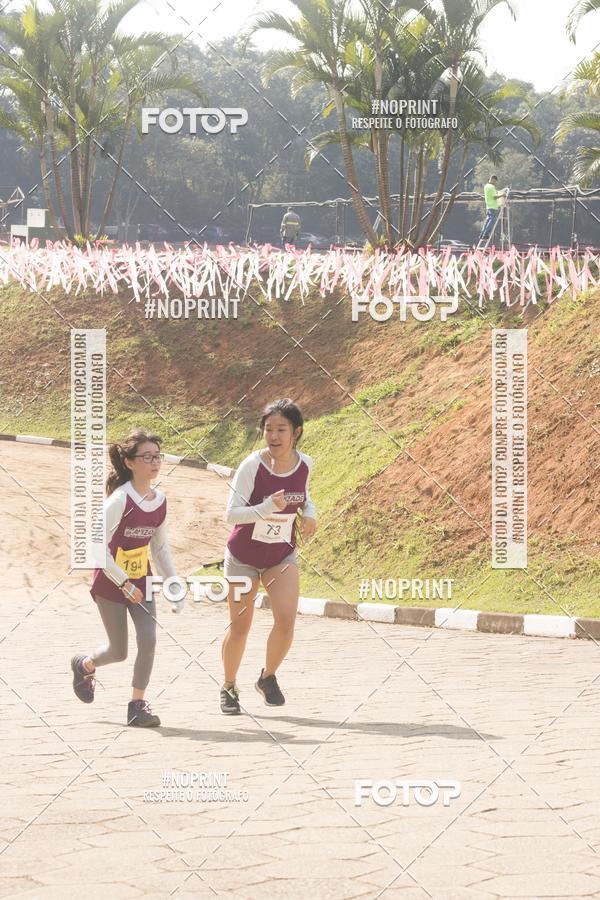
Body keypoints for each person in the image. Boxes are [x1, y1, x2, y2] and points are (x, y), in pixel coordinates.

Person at [70, 428, 177, 727]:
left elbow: (160, 547)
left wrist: (173, 582)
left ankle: (137, 705)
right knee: (119, 651)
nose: (154, 462)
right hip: (110, 581)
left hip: (142, 580)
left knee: (149, 639)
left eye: (158, 456)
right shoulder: (119, 500)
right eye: (147, 457)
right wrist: (124, 583)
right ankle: (85, 664)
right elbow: (95, 546)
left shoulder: (160, 500)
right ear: (130, 462)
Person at [220, 399, 317, 714]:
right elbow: (231, 515)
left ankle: (267, 677)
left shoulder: (305, 465)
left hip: (280, 556)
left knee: (287, 621)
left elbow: (304, 496)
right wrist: (265, 509)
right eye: (268, 430)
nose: (273, 436)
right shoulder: (252, 465)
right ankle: (229, 686)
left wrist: (310, 514)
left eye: (281, 430)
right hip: (242, 558)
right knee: (240, 627)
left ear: (296, 432)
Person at [478, 175, 506, 244]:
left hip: (488, 206)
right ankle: (486, 234)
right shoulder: (492, 187)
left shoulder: (486, 186)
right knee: (491, 220)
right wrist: (502, 195)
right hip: (493, 206)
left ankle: (482, 234)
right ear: (493, 179)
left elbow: (491, 195)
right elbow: (494, 197)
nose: (495, 183)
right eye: (495, 181)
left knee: (487, 220)